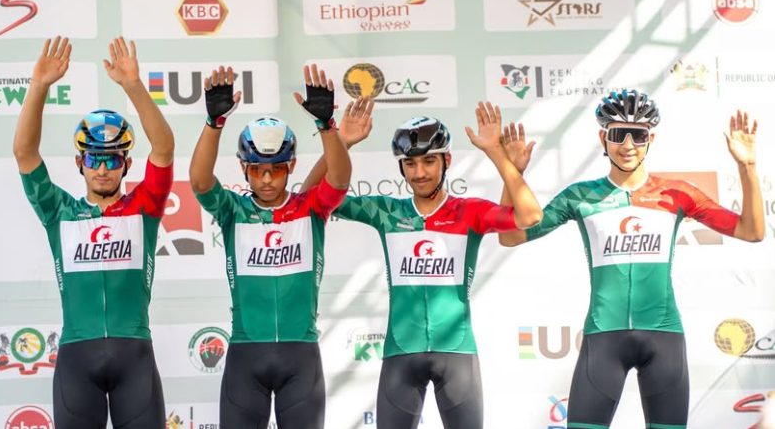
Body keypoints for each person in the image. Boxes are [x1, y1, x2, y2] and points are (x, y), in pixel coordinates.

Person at [498, 89, 765, 429]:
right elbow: (509, 236)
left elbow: (751, 231)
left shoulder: (677, 194)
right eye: (618, 134)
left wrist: (747, 166)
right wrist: (512, 173)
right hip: (604, 339)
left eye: (637, 135)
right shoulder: (581, 196)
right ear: (603, 138)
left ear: (650, 139)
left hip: (663, 339)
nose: (627, 144)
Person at [302, 101, 543, 429]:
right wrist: (341, 141)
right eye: (410, 163)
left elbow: (530, 215)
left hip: (457, 354)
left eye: (429, 161)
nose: (419, 173)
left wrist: (497, 154)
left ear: (447, 161)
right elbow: (310, 197)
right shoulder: (387, 212)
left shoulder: (468, 212)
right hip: (401, 354)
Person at [13, 36, 174, 428]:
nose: (102, 170)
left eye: (112, 160)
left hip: (134, 357)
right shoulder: (59, 211)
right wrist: (39, 86)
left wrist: (133, 86)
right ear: (80, 162)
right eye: (94, 159)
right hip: (76, 359)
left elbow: (164, 149)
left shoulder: (144, 207)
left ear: (126, 164)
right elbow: (24, 154)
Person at [189, 64, 351, 429]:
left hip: (301, 356)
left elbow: (339, 179)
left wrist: (327, 126)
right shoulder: (233, 210)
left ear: (291, 165)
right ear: (243, 168)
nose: (266, 178)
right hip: (246, 356)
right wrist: (214, 124)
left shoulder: (310, 208)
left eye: (276, 169)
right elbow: (199, 181)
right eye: (256, 169)